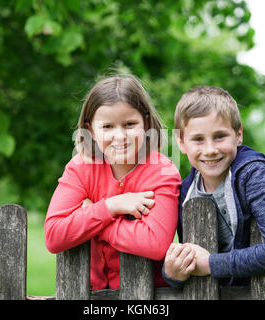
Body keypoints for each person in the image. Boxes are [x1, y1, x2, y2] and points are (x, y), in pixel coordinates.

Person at [162, 86, 265, 288]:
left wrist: (211, 264)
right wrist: (171, 275)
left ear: (238, 134)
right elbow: (190, 264)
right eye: (198, 139)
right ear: (181, 143)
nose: (210, 149)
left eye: (220, 136)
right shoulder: (184, 192)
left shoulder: (255, 175)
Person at [45, 74, 181, 290]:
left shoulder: (162, 171)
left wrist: (97, 224)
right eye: (107, 126)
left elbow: (156, 244)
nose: (120, 136)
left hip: (147, 293)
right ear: (90, 130)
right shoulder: (81, 168)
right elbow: (54, 235)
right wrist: (111, 206)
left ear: (145, 123)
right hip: (87, 293)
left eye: (129, 124)